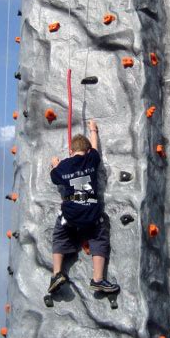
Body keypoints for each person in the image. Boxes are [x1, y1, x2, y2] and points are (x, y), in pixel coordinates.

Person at [48, 119, 120, 296]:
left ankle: (56, 273)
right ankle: (97, 279)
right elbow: (95, 148)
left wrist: (55, 164)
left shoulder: (64, 165)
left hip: (71, 213)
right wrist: (93, 130)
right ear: (87, 151)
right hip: (90, 213)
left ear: (70, 151)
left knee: (59, 236)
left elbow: (54, 177)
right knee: (99, 238)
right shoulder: (91, 159)